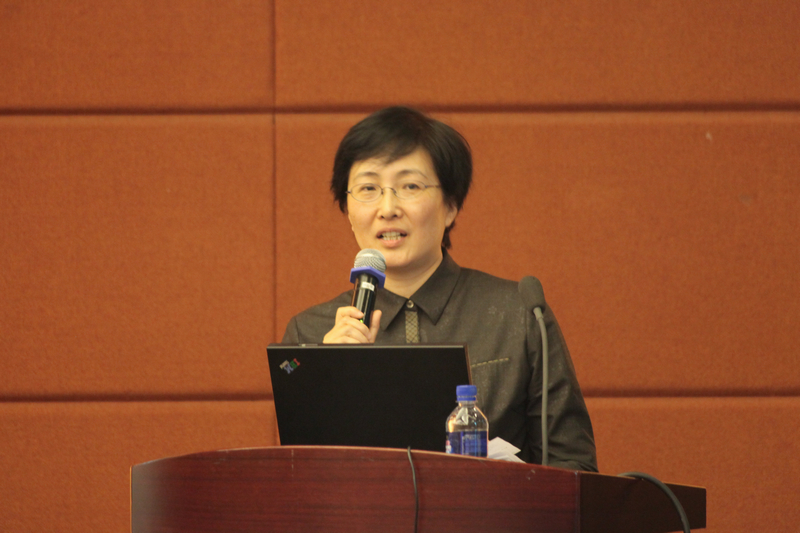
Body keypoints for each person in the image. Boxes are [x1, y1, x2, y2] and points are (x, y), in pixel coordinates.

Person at [282, 106, 597, 471]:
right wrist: (325, 376)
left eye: (410, 186)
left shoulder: (517, 315)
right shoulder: (309, 336)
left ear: (450, 206)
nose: (388, 208)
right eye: (368, 188)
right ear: (347, 210)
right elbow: (297, 481)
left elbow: (574, 468)